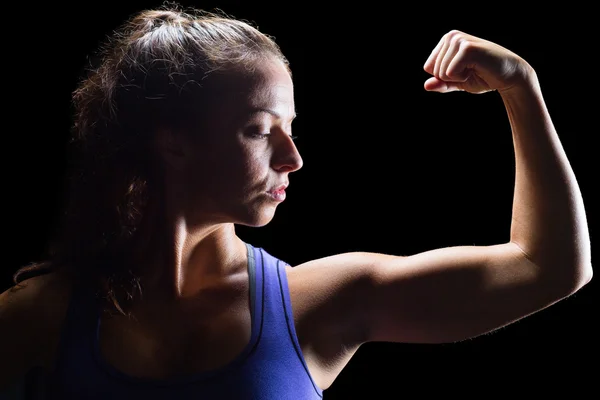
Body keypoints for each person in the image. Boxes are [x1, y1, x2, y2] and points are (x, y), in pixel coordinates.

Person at [0, 3, 592, 399]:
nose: (293, 157)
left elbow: (549, 268)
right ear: (172, 141)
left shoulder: (317, 304)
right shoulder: (36, 318)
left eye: (291, 127)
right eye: (260, 130)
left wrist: (521, 87)